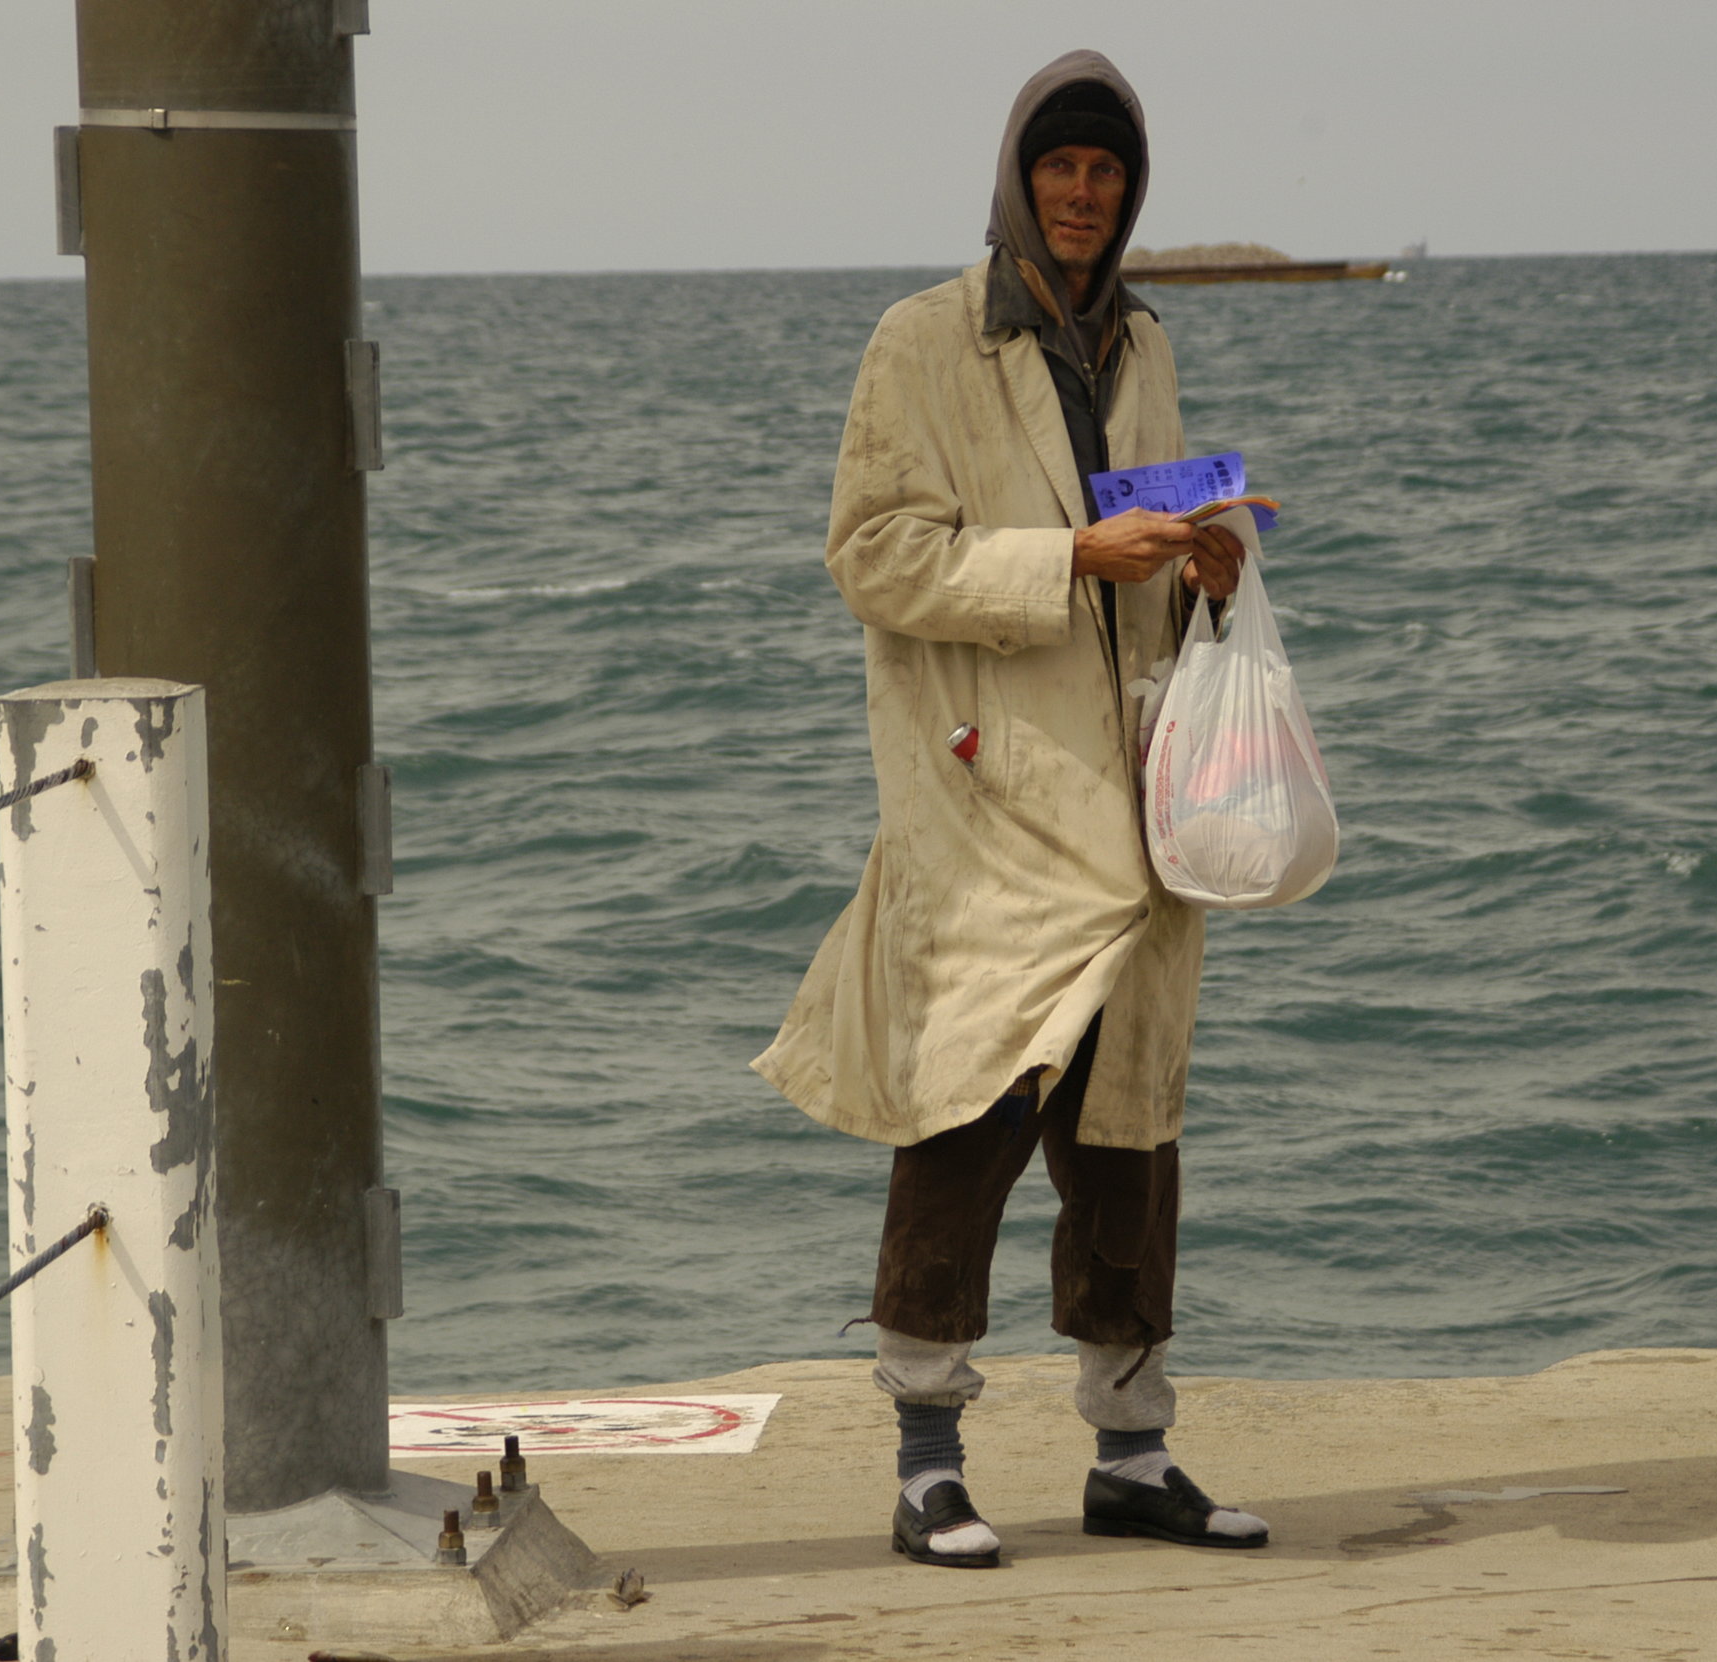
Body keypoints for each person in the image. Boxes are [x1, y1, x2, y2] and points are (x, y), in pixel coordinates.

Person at [752, 50, 1266, 1568]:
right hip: (990, 797)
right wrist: (1063, 566)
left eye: (1108, 172)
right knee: (966, 1111)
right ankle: (925, 1460)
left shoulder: (1144, 341)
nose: (1085, 194)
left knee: (1133, 1136)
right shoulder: (921, 341)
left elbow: (1146, 545)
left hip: (1131, 800)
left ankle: (1133, 1446)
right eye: (1062, 168)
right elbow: (874, 553)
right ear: (1016, 180)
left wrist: (1201, 565)